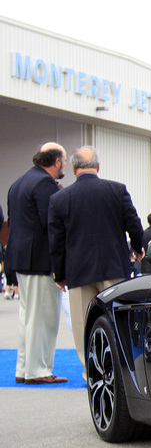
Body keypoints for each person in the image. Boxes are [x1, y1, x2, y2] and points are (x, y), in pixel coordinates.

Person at [48, 146, 144, 372]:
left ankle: (91, 370)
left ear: (73, 168)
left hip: (79, 271)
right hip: (114, 268)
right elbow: (134, 223)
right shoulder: (117, 190)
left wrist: (59, 275)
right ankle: (122, 367)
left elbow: (56, 242)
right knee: (117, 318)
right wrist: (138, 248)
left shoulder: (59, 198)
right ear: (98, 167)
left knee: (83, 323)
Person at [6, 142, 67, 384]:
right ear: (58, 162)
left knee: (28, 316)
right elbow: (51, 223)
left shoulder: (18, 183)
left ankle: (24, 368)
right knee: (43, 318)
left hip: (21, 259)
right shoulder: (44, 184)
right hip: (39, 260)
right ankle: (38, 370)